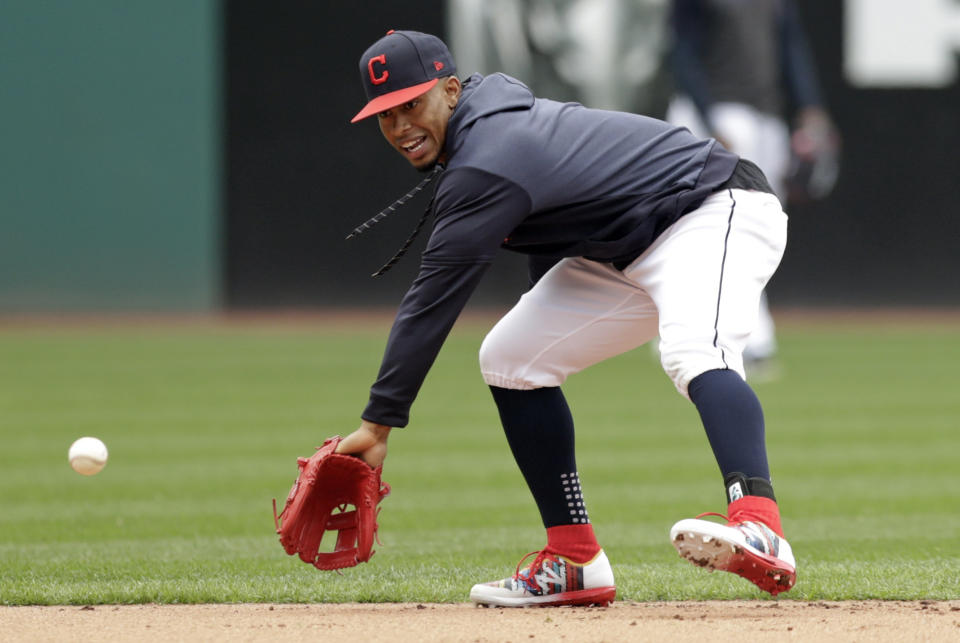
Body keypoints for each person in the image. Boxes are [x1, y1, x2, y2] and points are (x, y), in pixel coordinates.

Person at [335, 29, 795, 607]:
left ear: (450, 90)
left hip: (711, 205)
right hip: (623, 247)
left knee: (694, 352)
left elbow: (433, 299)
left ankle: (760, 525)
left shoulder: (487, 158)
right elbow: (551, 220)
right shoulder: (486, 130)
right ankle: (574, 560)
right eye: (385, 114)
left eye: (412, 104)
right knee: (512, 358)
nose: (401, 126)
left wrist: (378, 425)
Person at [667, 0, 839, 377]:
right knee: (723, 232)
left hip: (766, 116)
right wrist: (707, 117)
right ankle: (752, 341)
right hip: (717, 113)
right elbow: (682, 51)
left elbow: (791, 46)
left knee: (756, 232)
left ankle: (718, 334)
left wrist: (810, 105)